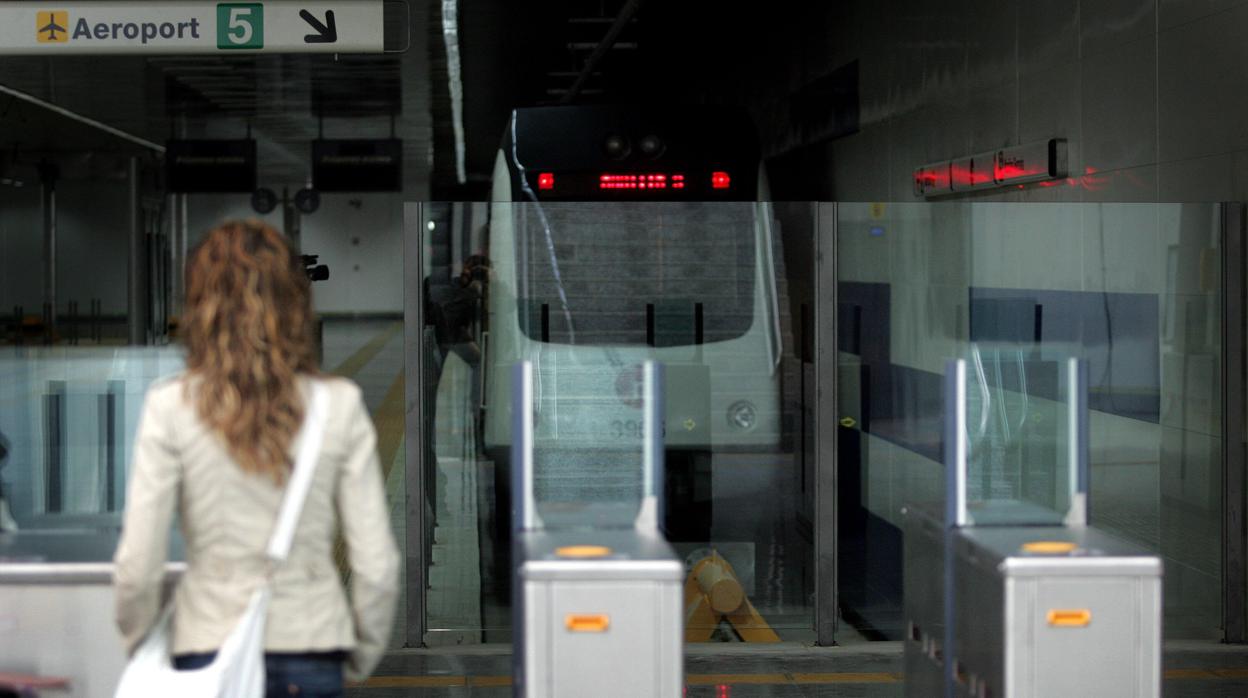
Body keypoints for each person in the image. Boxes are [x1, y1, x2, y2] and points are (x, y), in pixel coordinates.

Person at [113, 220, 399, 696]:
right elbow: (376, 562)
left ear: (200, 303)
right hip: (312, 647)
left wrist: (142, 641)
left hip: (206, 644)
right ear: (295, 302)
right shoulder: (338, 403)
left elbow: (138, 563)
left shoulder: (170, 406)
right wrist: (360, 654)